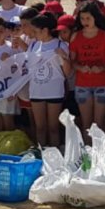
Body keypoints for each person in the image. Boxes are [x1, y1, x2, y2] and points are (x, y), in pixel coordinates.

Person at [70, 1, 105, 139]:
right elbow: (72, 61)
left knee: (99, 124)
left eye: (88, 18)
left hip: (102, 83)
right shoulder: (76, 36)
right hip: (82, 84)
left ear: (95, 17)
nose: (85, 22)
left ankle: (99, 150)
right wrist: (80, 67)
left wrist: (101, 67)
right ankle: (87, 150)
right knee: (86, 125)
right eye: (82, 18)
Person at [27, 15, 70, 148]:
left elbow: (67, 72)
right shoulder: (33, 45)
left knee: (53, 127)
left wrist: (64, 57)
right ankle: (41, 154)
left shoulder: (60, 45)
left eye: (35, 31)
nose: (33, 34)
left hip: (54, 91)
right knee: (40, 127)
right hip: (36, 91)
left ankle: (55, 155)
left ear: (45, 30)